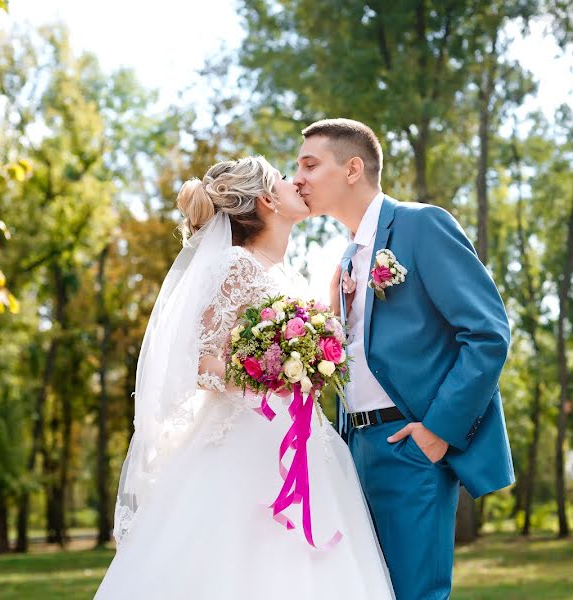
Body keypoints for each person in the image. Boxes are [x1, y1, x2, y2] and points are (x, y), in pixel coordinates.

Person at [95, 156, 393, 599]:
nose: (296, 182)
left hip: (303, 441)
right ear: (267, 200)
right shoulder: (235, 265)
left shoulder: (285, 273)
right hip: (244, 445)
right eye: (283, 178)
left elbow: (302, 351)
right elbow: (199, 361)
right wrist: (261, 374)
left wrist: (329, 310)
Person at [293, 118, 515, 600]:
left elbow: (488, 333)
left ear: (353, 168)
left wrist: (437, 432)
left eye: (311, 165)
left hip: (409, 445)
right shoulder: (348, 258)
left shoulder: (420, 225)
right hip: (353, 450)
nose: (298, 179)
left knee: (414, 594)